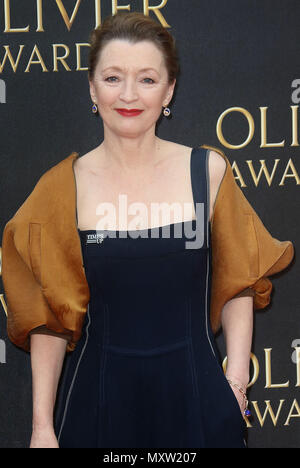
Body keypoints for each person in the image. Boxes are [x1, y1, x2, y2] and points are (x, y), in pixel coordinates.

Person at [1, 12, 294, 449]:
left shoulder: (207, 172)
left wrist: (236, 387)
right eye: (114, 78)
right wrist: (42, 427)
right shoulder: (61, 190)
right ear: (92, 88)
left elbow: (240, 284)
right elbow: (48, 321)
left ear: (169, 89)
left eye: (147, 79)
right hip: (97, 407)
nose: (130, 95)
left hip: (200, 404)